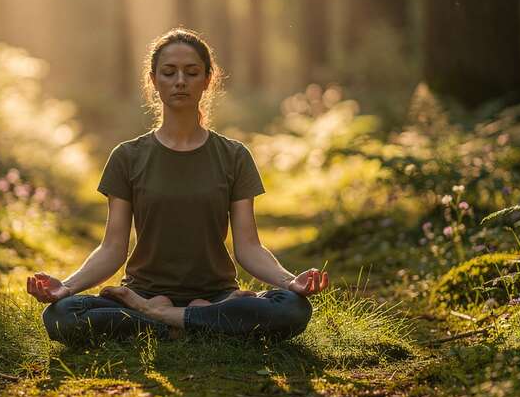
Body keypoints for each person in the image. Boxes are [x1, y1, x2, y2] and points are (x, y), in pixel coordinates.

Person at [26, 28, 329, 343]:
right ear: (154, 81)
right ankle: (199, 324)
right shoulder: (127, 156)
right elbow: (113, 248)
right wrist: (67, 287)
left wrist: (290, 281)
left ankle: (160, 319)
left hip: (215, 295)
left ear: (208, 80)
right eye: (169, 73)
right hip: (143, 292)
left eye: (192, 72)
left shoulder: (234, 156)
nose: (180, 81)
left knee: (293, 308)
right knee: (61, 315)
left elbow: (249, 248)